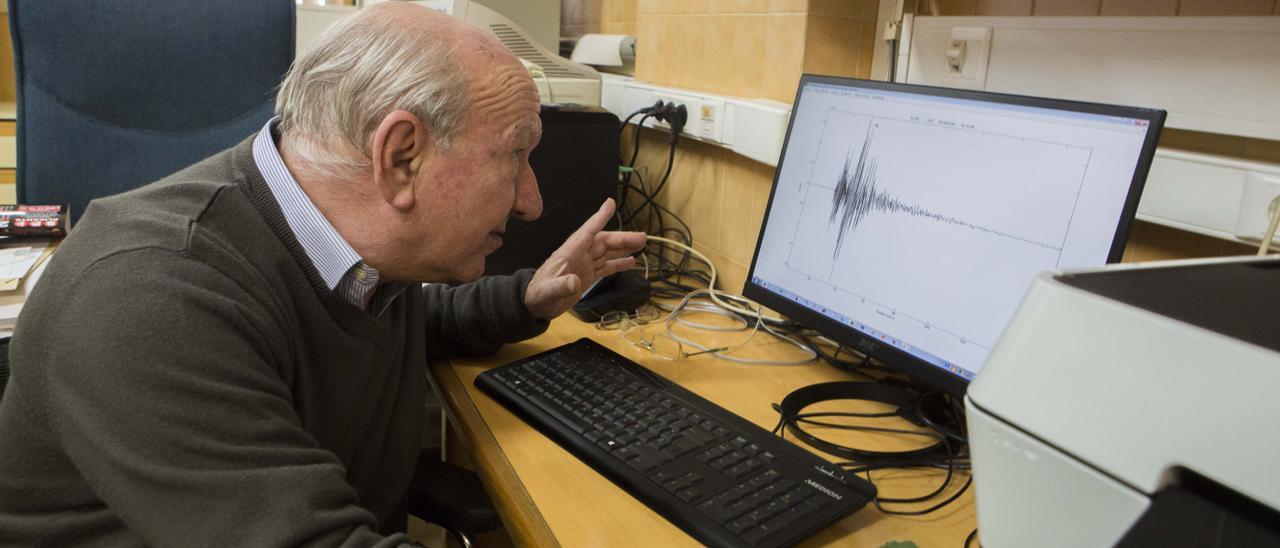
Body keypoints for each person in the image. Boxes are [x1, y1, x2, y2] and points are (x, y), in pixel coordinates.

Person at [0, 3, 645, 546]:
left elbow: (403, 319)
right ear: (400, 158)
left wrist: (528, 296)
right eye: (516, 155)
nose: (531, 199)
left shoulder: (355, 260)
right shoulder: (146, 297)